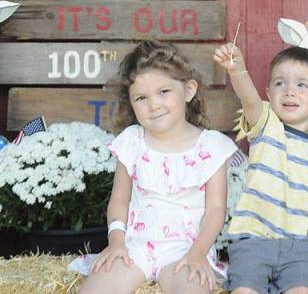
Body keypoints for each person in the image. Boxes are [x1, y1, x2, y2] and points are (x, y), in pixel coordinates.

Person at [73, 41, 238, 294]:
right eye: (141, 98)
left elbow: (216, 208)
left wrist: (198, 254)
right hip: (134, 248)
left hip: (185, 249)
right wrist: (116, 242)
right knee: (95, 289)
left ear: (189, 90)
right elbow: (119, 201)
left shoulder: (211, 146)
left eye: (164, 92)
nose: (154, 105)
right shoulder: (132, 142)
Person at [213, 42, 308, 294]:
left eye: (302, 85)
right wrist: (237, 70)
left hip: (302, 247)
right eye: (280, 83)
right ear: (269, 94)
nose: (290, 91)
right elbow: (248, 98)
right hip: (254, 240)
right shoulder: (266, 125)